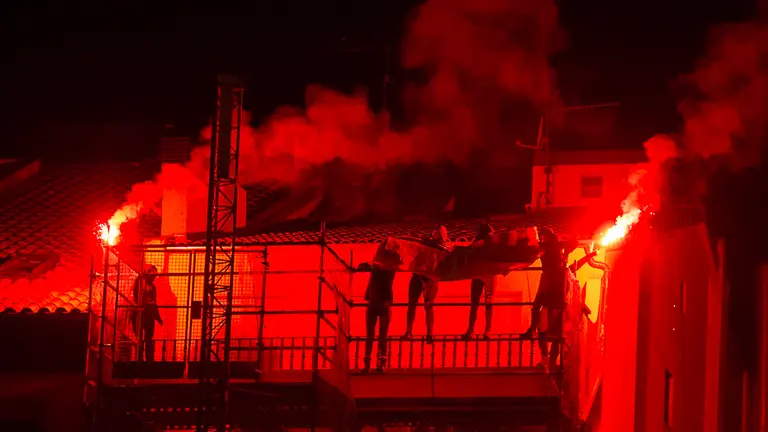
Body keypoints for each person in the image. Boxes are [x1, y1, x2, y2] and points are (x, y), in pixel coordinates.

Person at [403, 226, 450, 344]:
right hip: (418, 276)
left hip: (431, 279)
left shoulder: (443, 248)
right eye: (435, 231)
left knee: (429, 306)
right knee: (412, 304)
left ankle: (429, 334)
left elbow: (442, 265)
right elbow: (416, 258)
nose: (435, 233)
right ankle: (409, 331)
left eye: (438, 232)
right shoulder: (425, 243)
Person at [463, 223, 496, 340]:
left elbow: (469, 253)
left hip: (477, 273)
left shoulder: (476, 243)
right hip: (489, 274)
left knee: (474, 304)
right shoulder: (492, 243)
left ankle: (470, 330)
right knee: (488, 303)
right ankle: (488, 331)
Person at [361, 261, 396, 373]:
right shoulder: (387, 270)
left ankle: (369, 364)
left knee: (372, 336)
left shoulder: (378, 270)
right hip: (382, 303)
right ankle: (381, 363)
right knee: (381, 336)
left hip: (375, 302)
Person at [132, 265, 163, 362]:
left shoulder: (152, 287)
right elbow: (136, 297)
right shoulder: (140, 282)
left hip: (148, 314)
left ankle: (149, 359)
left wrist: (158, 318)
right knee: (140, 337)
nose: (153, 277)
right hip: (140, 313)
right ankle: (140, 358)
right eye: (152, 275)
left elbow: (154, 303)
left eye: (154, 275)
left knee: (148, 338)